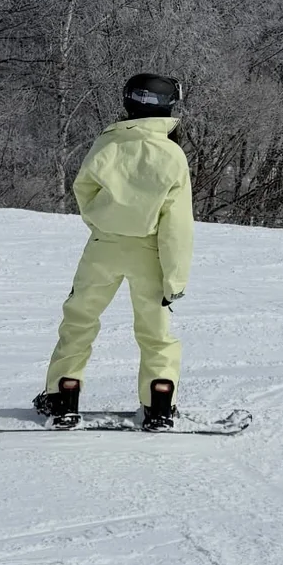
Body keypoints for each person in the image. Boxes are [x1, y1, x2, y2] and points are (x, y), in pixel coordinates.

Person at [34, 72, 193, 431]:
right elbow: (177, 226)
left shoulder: (107, 143)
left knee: (80, 320)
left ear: (128, 101)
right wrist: (175, 279)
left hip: (103, 247)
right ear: (168, 106)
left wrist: (103, 224)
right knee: (156, 331)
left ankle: (63, 396)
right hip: (149, 253)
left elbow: (84, 191)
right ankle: (159, 402)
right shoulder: (172, 155)